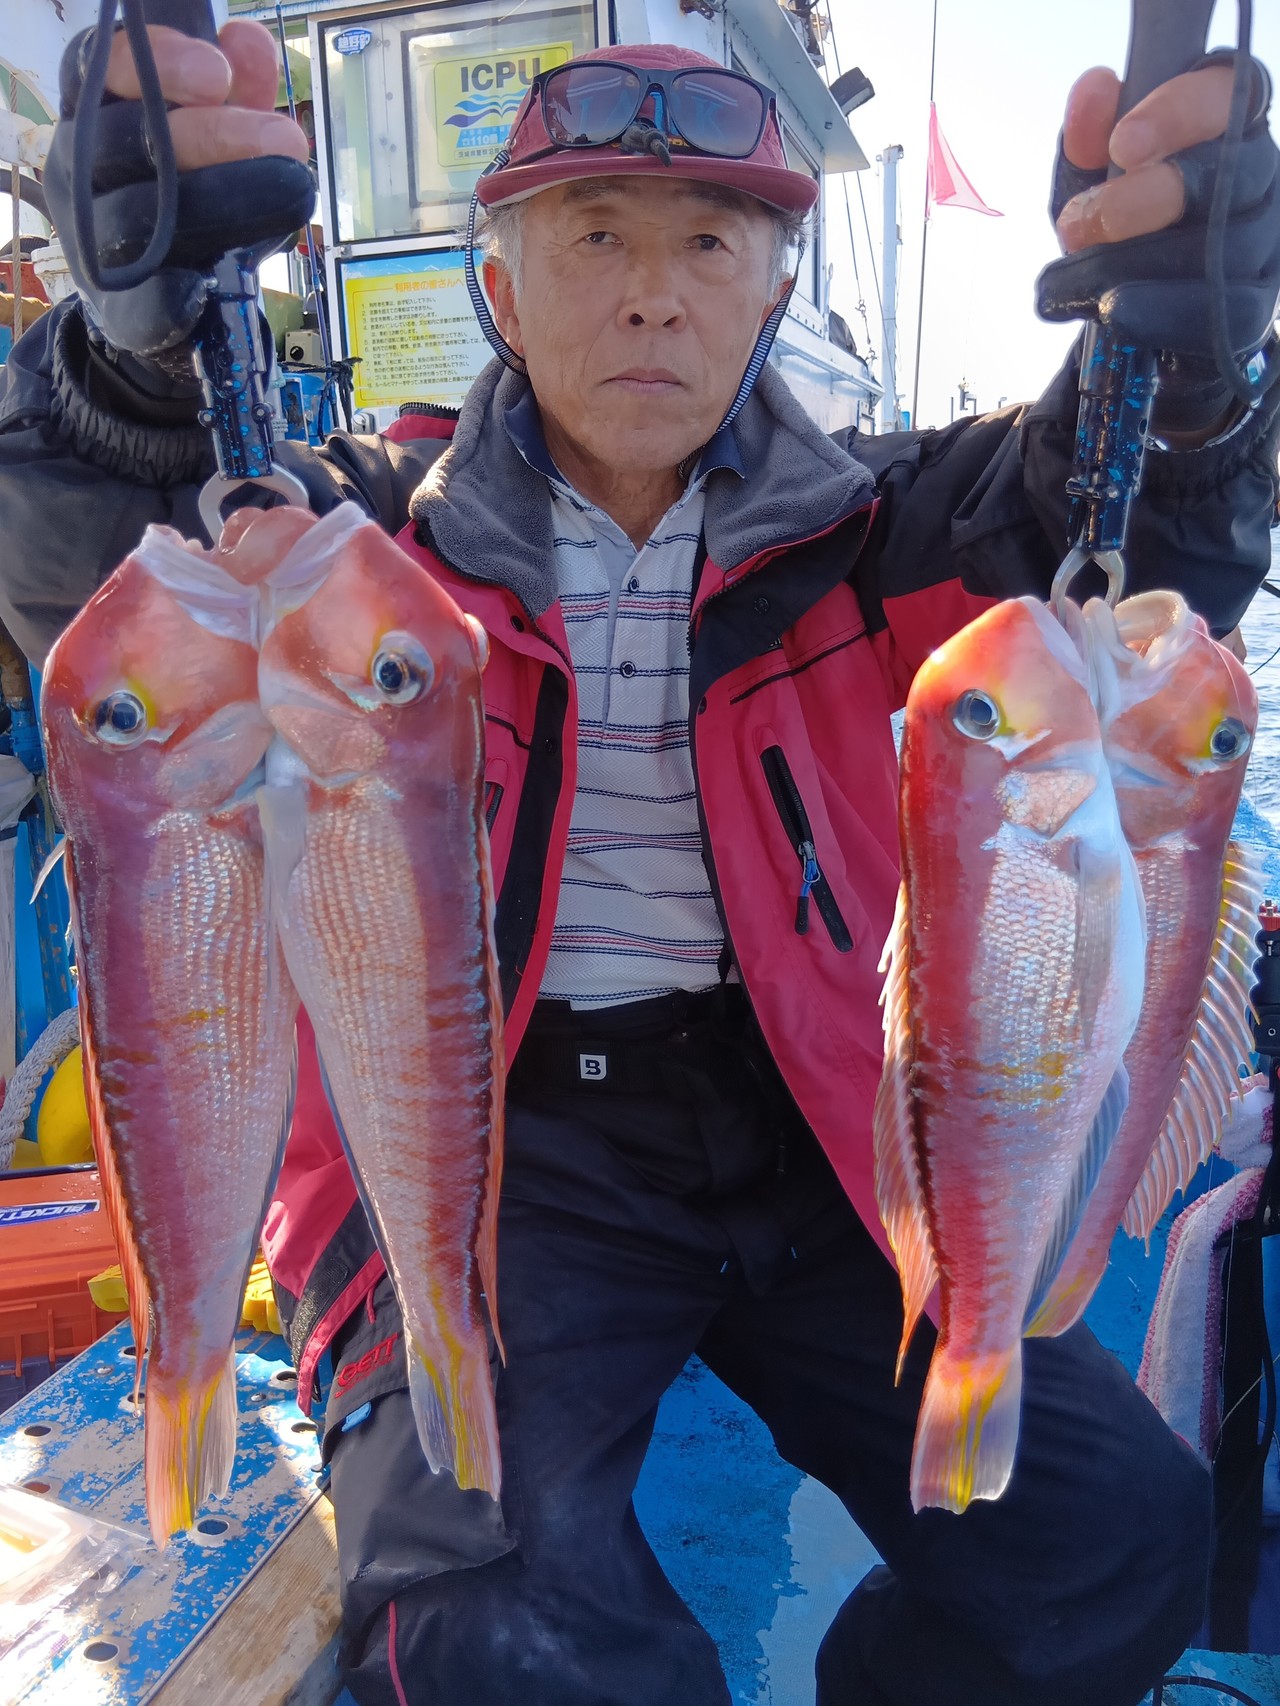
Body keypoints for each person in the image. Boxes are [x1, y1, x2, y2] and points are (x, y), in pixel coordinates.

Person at [4, 20, 1280, 1706]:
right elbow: (107, 575)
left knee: (1121, 1541)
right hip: (504, 1136)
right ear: (501, 290)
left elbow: (1135, 545)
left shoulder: (897, 527)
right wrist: (130, 367)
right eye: (596, 235)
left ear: (773, 291)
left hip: (816, 1118)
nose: (656, 296)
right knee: (493, 1620)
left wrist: (1191, 373)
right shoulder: (367, 552)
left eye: (710, 244)